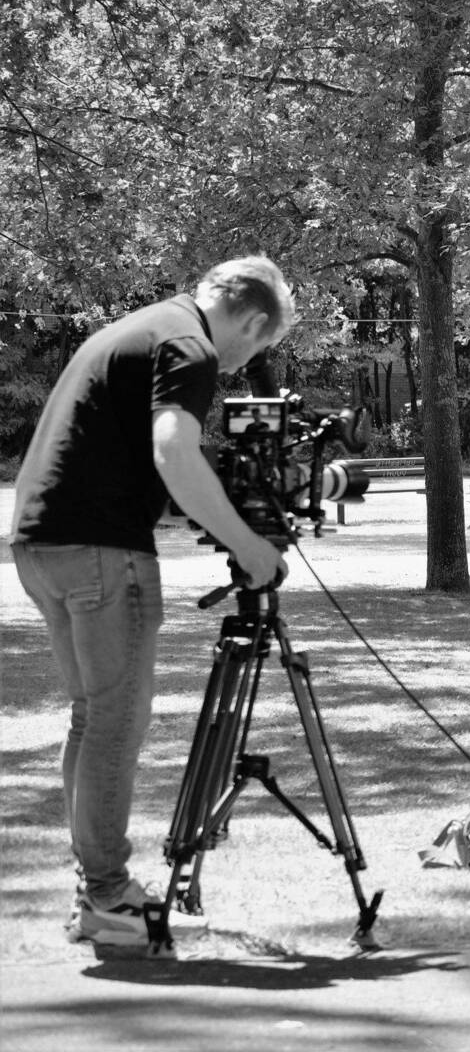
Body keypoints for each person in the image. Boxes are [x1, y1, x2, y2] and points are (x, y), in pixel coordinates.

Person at [11, 256, 295, 947]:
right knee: (116, 725)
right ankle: (108, 899)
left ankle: (95, 891)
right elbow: (173, 449)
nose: (242, 364)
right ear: (253, 320)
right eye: (258, 347)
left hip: (41, 541)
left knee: (92, 719)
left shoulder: (141, 327)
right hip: (102, 549)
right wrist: (249, 547)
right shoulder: (190, 345)